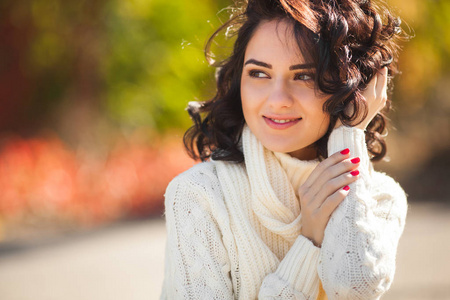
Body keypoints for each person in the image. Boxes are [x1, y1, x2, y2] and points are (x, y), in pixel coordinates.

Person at [161, 0, 407, 299]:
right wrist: (310, 240)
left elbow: (353, 286)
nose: (277, 99)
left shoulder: (379, 197)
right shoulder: (200, 194)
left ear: (350, 87)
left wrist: (348, 134)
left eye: (304, 75)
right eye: (259, 74)